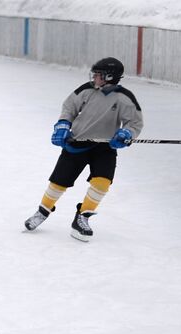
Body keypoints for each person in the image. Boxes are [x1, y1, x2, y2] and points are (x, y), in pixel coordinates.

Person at [23, 57, 143, 242]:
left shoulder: (124, 97)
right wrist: (63, 124)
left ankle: (82, 217)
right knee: (58, 182)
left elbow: (134, 122)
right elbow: (69, 107)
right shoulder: (86, 90)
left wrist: (126, 134)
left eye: (98, 74)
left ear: (110, 77)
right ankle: (43, 211)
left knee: (102, 183)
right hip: (77, 143)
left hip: (105, 147)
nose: (94, 77)